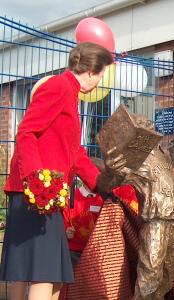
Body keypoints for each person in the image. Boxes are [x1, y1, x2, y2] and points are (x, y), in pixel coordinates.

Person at [0, 42, 114, 300]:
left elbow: (74, 153)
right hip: (39, 193)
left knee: (33, 271)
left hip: (40, 193)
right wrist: (36, 178)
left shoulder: (69, 94)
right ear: (91, 71)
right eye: (101, 75)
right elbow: (27, 132)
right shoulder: (58, 87)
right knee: (45, 273)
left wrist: (102, 185)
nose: (99, 82)